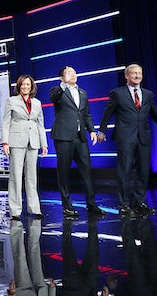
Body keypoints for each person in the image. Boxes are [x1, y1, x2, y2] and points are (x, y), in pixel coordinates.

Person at [97, 64, 157, 217]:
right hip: (125, 137)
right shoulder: (117, 93)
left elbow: (154, 112)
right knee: (124, 171)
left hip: (143, 136)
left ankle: (139, 203)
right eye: (134, 73)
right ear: (127, 76)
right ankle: (124, 205)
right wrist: (102, 131)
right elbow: (107, 112)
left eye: (139, 73)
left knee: (143, 171)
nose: (137, 76)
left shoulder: (148, 94)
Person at [49, 66, 105, 218]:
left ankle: (91, 204)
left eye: (74, 72)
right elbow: (53, 99)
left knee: (87, 171)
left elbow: (86, 114)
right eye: (69, 73)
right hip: (63, 137)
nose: (73, 75)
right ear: (61, 77)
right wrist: (63, 84)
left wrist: (92, 130)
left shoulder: (83, 93)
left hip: (80, 138)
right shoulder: (57, 90)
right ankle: (67, 206)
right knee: (64, 172)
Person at [1, 75, 48, 220]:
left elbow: (40, 125)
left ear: (31, 86)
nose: (25, 87)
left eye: (28, 85)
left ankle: (35, 208)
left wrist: (44, 144)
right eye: (23, 85)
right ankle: (15, 210)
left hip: (33, 142)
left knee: (32, 176)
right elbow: (6, 123)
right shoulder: (12, 101)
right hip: (16, 141)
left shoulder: (37, 103)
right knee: (15, 176)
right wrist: (5, 142)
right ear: (19, 87)